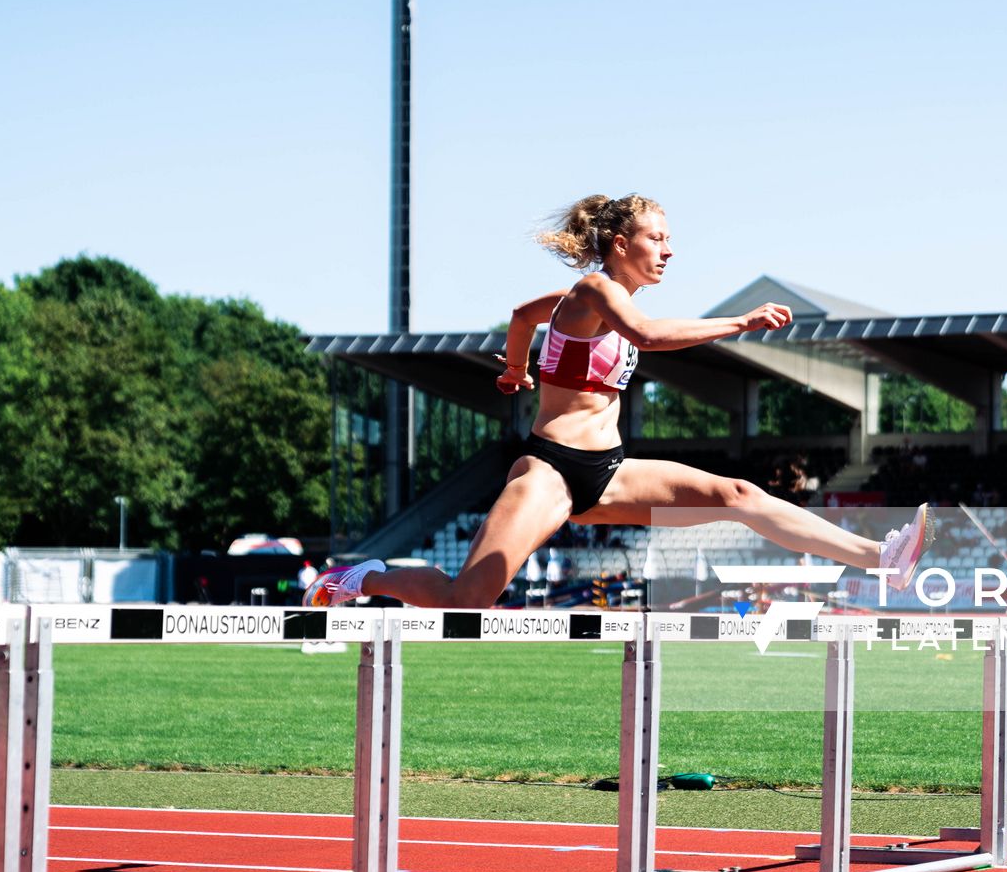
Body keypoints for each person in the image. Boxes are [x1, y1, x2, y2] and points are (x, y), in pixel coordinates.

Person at [306, 194, 933, 609]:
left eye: (669, 239)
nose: (669, 249)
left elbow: (524, 315)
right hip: (550, 470)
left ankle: (884, 557)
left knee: (738, 495)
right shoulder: (592, 290)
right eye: (657, 238)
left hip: (608, 474)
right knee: (470, 596)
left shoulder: (586, 299)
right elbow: (648, 337)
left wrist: (515, 370)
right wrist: (740, 322)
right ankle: (361, 577)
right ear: (618, 242)